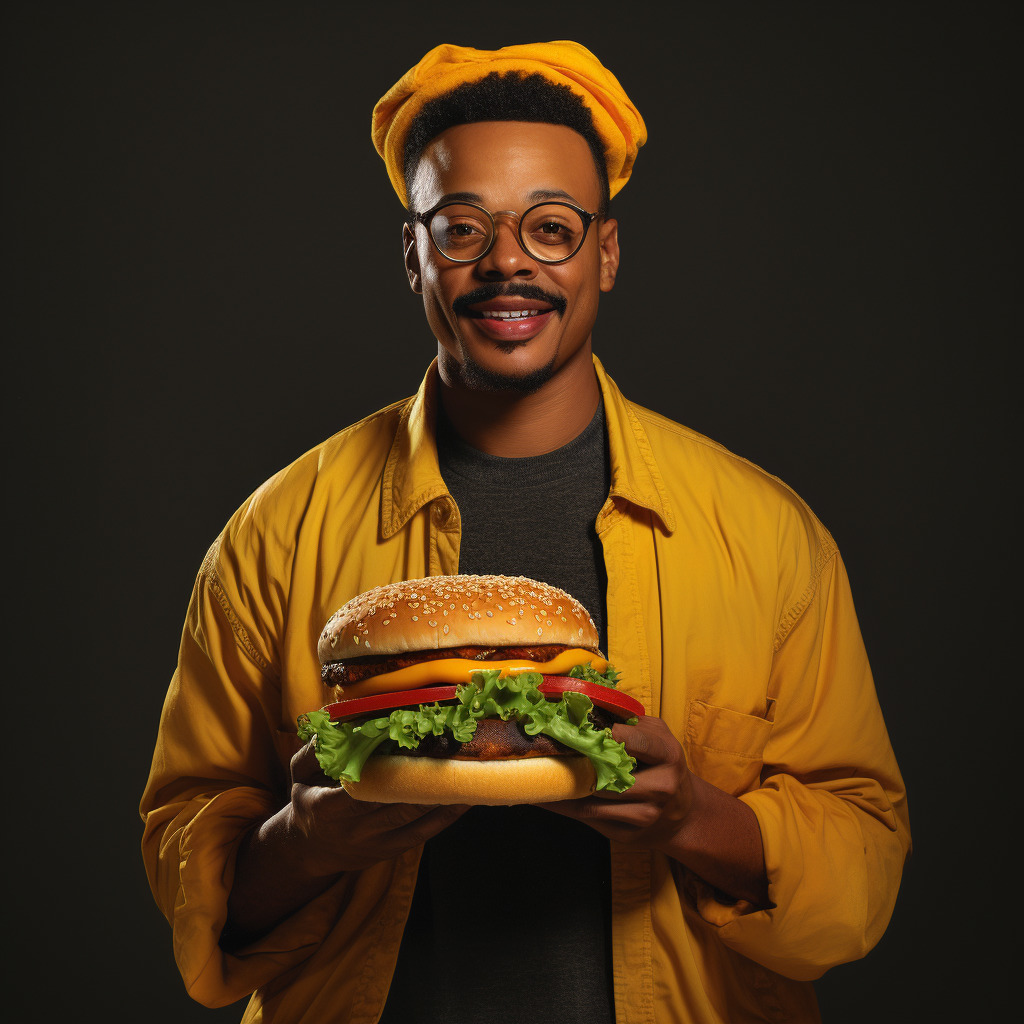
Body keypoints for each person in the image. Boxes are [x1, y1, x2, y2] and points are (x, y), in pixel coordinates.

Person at [141, 41, 910, 1024]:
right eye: (462, 227)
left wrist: (690, 816)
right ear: (412, 252)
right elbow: (189, 851)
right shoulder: (274, 532)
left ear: (607, 252)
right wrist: (309, 841)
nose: (507, 260)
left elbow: (862, 864)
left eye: (551, 227)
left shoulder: (766, 531)